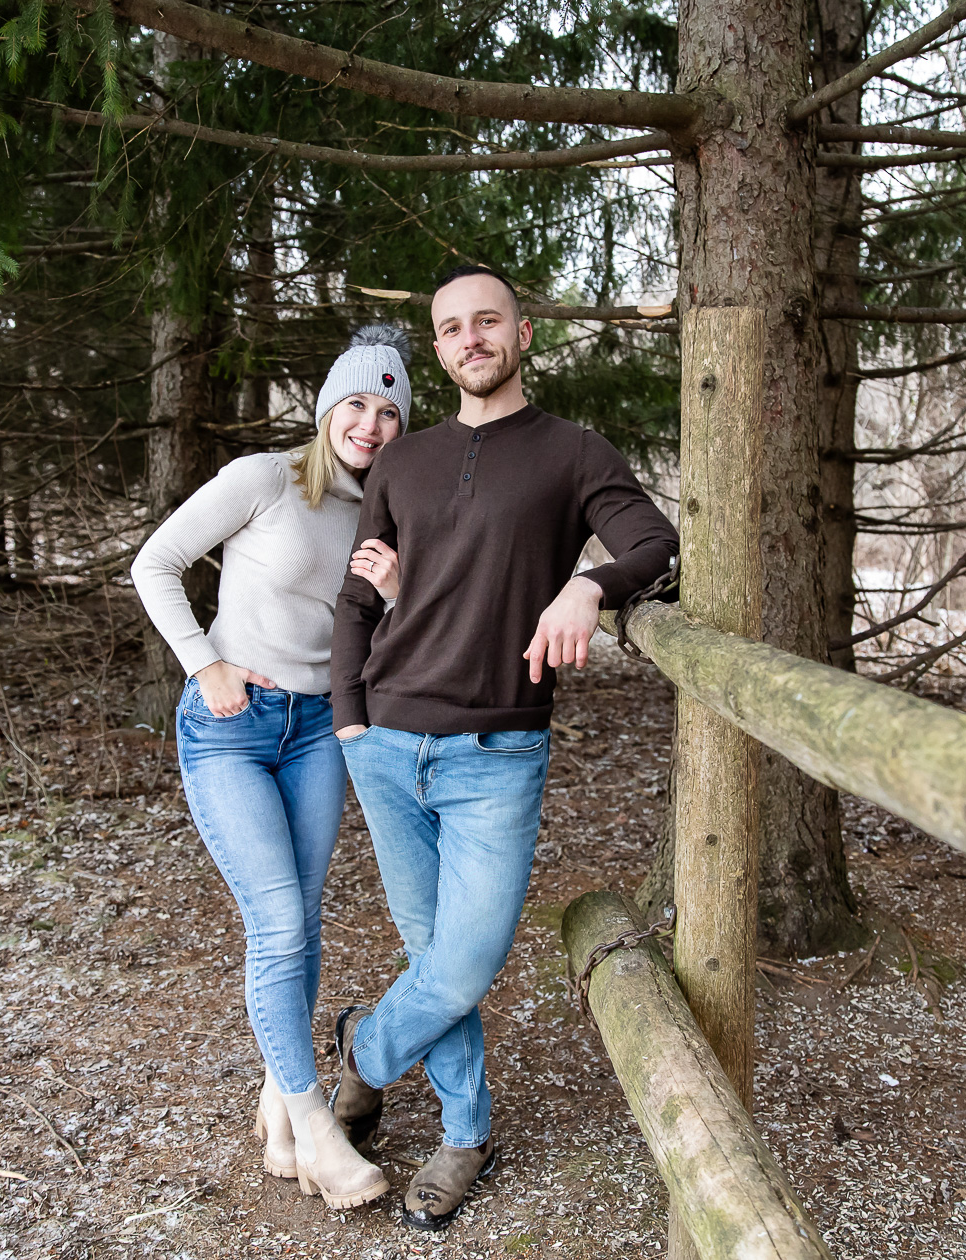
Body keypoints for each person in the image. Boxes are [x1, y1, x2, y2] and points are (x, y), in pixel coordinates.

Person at [328, 266, 678, 1230]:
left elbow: (655, 540)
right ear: (437, 350)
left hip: (497, 756)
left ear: (523, 335)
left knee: (461, 965)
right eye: (450, 329)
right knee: (429, 951)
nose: (469, 339)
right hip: (387, 744)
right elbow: (360, 599)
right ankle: (466, 1131)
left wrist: (590, 587)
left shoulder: (571, 452)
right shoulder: (404, 464)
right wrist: (349, 720)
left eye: (488, 322)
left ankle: (360, 1056)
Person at [131, 326, 413, 1210]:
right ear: (329, 407)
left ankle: (276, 1101)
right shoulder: (265, 480)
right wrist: (200, 661)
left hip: (319, 733)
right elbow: (156, 562)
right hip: (231, 726)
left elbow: (381, 644)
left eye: (390, 411)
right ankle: (315, 1124)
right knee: (279, 915)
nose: (370, 425)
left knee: (303, 921)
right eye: (357, 404)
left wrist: (401, 598)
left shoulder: (385, 515)